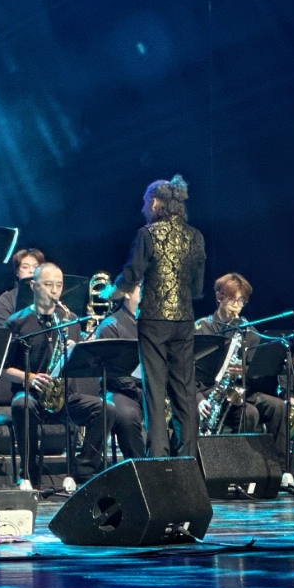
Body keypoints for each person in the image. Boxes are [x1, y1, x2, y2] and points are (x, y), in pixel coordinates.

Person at [101, 175, 207, 459]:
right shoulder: (195, 235)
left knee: (155, 390)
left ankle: (159, 457)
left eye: (145, 202)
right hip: (184, 320)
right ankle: (188, 458)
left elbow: (131, 275)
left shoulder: (147, 233)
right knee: (184, 391)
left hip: (154, 319)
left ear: (156, 202)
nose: (143, 208)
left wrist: (111, 293)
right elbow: (197, 288)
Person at [4, 262, 104, 484]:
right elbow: (3, 369)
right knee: (21, 405)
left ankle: (83, 470)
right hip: (31, 395)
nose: (54, 291)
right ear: (33, 286)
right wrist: (30, 378)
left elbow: (80, 367)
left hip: (63, 396)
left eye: (59, 285)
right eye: (48, 284)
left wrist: (74, 354)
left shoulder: (70, 320)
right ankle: (27, 474)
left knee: (105, 409)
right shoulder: (17, 322)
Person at [194, 273, 289, 458]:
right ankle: (239, 465)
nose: (237, 307)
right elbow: (185, 370)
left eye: (242, 302)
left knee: (279, 407)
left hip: (241, 390)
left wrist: (247, 372)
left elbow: (258, 374)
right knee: (249, 413)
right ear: (219, 297)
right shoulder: (201, 328)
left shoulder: (248, 331)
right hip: (209, 391)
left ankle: (280, 467)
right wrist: (197, 398)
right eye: (233, 300)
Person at [92, 282, 147, 459]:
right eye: (142, 289)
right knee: (126, 416)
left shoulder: (154, 324)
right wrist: (141, 394)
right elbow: (114, 373)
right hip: (120, 390)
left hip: (149, 388)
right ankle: (139, 466)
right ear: (128, 294)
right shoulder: (110, 326)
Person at [0, 248, 45, 327]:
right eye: (25, 267)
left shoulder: (51, 293)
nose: (31, 271)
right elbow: (2, 329)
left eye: (36, 267)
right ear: (17, 272)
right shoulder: (6, 299)